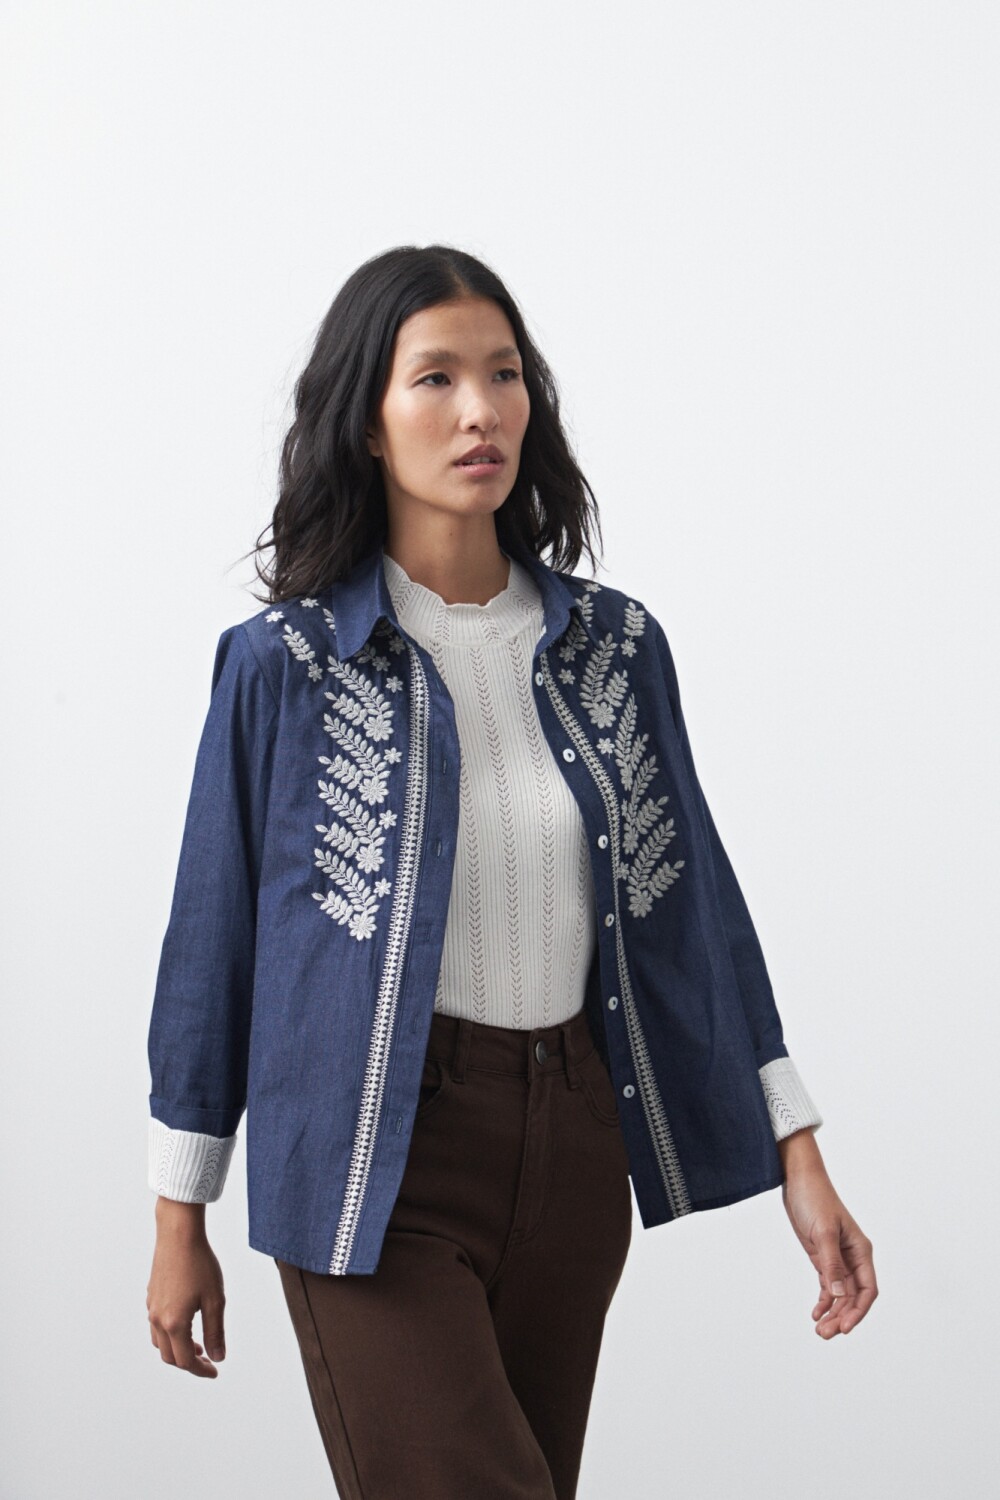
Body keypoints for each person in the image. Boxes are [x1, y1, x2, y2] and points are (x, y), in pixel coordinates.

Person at [145, 243, 878, 1499]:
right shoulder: (285, 665)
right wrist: (180, 1215)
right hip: (373, 1156)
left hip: (575, 1145)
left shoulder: (617, 647)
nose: (479, 410)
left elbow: (697, 914)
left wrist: (797, 1156)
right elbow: (211, 947)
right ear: (366, 421)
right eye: (434, 378)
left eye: (502, 374)